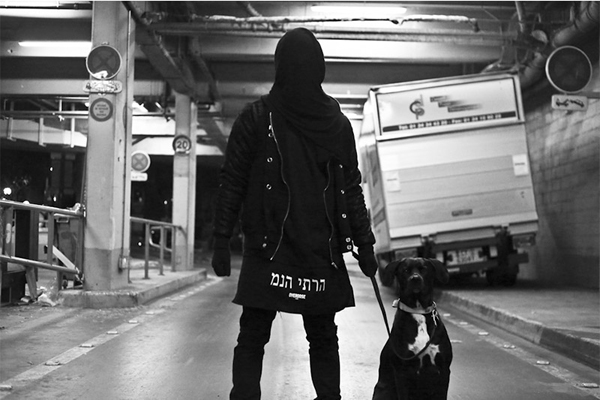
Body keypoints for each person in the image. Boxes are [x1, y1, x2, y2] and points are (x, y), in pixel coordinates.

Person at [211, 27, 378, 400]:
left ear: (279, 66)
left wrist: (222, 239)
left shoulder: (256, 117)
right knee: (323, 337)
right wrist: (365, 245)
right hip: (315, 249)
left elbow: (232, 181)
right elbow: (352, 189)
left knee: (253, 335)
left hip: (269, 249)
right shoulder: (333, 124)